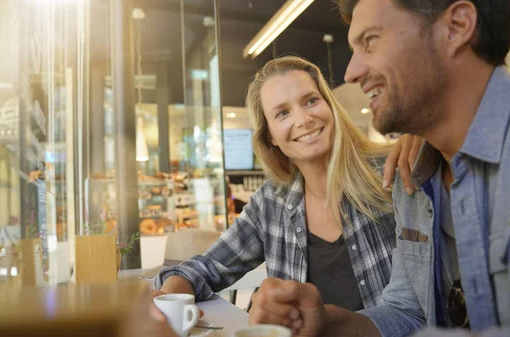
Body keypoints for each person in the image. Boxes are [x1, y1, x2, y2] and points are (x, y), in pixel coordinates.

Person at [244, 0, 510, 337]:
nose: (352, 70)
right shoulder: (415, 178)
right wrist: (324, 325)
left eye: (370, 41)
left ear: (457, 26)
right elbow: (408, 316)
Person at [156, 55, 398, 312]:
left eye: (311, 101)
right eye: (282, 113)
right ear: (269, 135)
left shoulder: (389, 172)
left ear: (330, 106)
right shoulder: (270, 202)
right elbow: (207, 268)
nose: (303, 119)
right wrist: (165, 299)